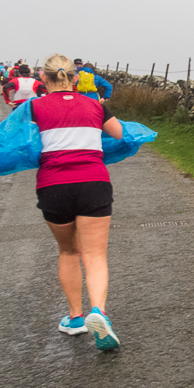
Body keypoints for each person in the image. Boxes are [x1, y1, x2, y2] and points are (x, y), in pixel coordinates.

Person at [30, 54, 124, 348]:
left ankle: (74, 318)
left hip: (53, 185)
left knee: (69, 251)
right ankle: (100, 313)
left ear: (43, 80)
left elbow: (18, 141)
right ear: (75, 78)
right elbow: (119, 133)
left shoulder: (33, 107)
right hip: (93, 182)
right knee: (95, 255)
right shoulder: (95, 105)